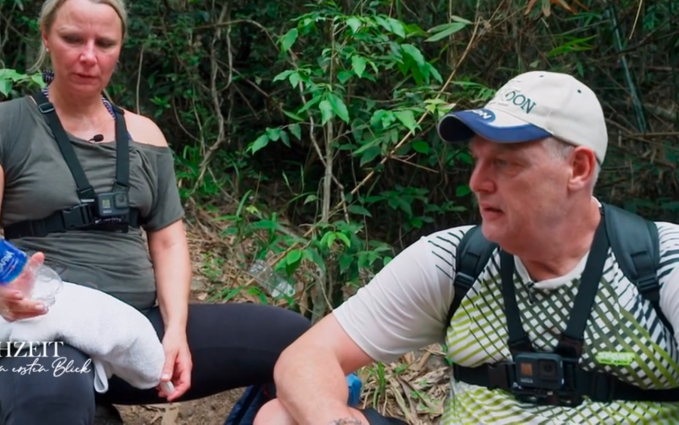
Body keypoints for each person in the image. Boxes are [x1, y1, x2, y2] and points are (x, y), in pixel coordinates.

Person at [0, 0, 310, 424]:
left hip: (132, 327)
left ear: (121, 48)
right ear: (45, 37)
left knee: (297, 340)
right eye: (72, 38)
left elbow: (169, 240)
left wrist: (175, 330)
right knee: (55, 398)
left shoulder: (144, 135)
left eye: (105, 44)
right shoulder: (0, 127)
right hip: (36, 322)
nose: (87, 56)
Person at [254, 71, 679, 424]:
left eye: (505, 163)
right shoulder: (455, 260)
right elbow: (307, 356)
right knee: (280, 418)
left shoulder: (659, 264)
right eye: (476, 160)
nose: (477, 182)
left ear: (578, 168)